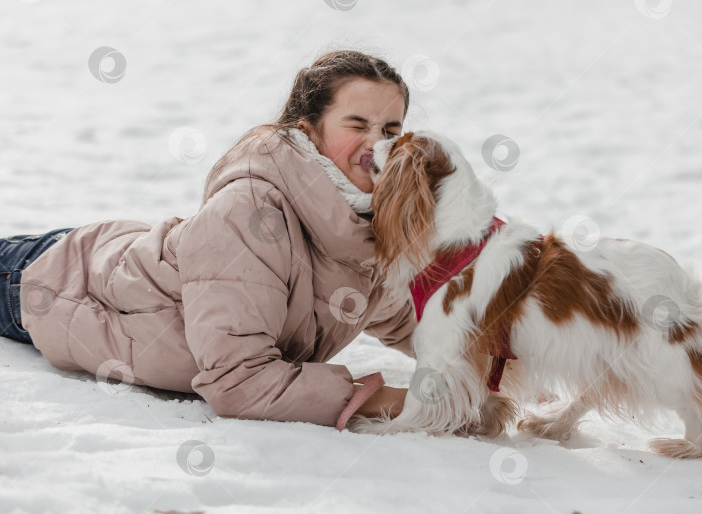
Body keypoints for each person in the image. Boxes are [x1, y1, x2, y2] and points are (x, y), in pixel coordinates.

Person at [0, 50, 416, 427]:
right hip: (56, 283)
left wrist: (476, 356)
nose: (376, 144)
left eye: (391, 129)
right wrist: (400, 402)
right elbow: (241, 382)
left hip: (121, 256)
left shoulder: (363, 228)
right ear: (307, 131)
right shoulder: (250, 212)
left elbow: (399, 312)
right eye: (357, 124)